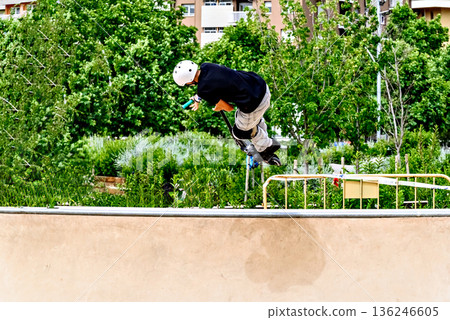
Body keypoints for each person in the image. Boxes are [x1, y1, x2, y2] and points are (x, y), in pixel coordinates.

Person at [172, 60, 280, 164]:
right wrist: (198, 98)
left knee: (239, 132)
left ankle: (267, 147)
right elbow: (215, 81)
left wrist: (219, 107)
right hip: (259, 85)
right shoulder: (207, 66)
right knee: (244, 119)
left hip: (255, 102)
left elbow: (229, 108)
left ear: (189, 81)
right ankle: (261, 141)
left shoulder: (204, 90)